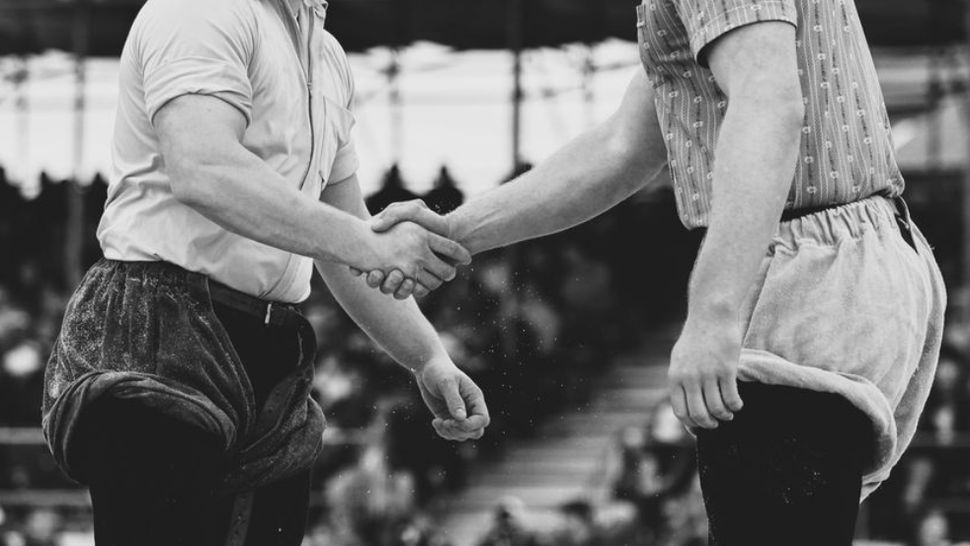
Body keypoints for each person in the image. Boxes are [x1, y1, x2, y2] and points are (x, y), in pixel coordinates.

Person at [359, 0, 947, 544]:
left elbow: (768, 101)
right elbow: (624, 146)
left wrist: (714, 312)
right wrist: (450, 233)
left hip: (807, 265)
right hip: (849, 256)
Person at [40, 0, 489, 544]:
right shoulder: (201, 7)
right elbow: (204, 169)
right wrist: (374, 247)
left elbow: (346, 233)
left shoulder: (326, 55)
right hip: (158, 322)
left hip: (269, 340)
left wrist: (427, 357)